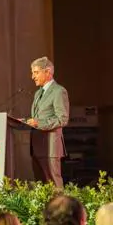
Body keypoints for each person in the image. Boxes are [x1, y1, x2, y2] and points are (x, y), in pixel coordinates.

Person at [26, 57, 69, 188]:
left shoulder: (59, 91)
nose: (32, 76)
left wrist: (38, 123)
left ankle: (60, 209)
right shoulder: (38, 93)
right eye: (32, 72)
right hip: (37, 147)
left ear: (48, 72)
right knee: (40, 185)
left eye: (36, 72)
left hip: (50, 147)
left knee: (54, 185)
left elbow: (62, 119)